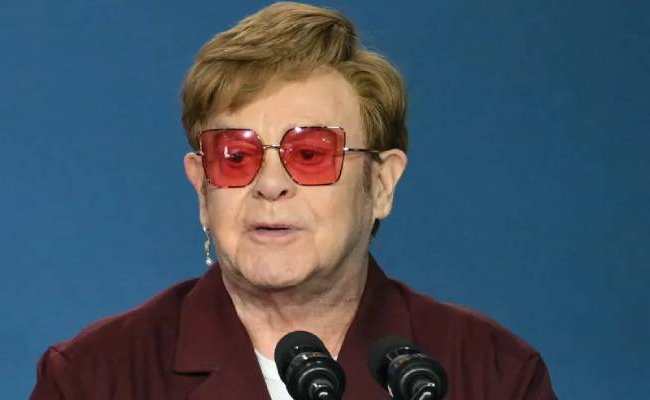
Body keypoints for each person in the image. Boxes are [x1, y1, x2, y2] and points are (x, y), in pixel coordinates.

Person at [30, 2, 557, 399]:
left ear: (381, 184)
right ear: (202, 188)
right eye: (236, 156)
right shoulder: (93, 378)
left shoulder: (494, 375)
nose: (270, 184)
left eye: (309, 153)